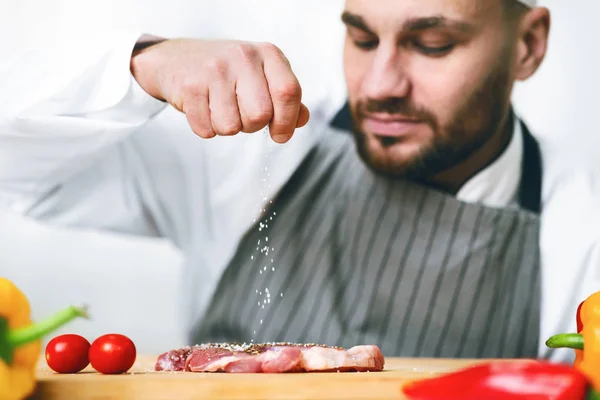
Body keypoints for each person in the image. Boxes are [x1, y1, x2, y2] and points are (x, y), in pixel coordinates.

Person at [0, 0, 598, 362]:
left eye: (432, 44)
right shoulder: (246, 148)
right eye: (361, 38)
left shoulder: (582, 228)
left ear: (528, 44)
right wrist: (141, 65)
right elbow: (19, 173)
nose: (382, 82)